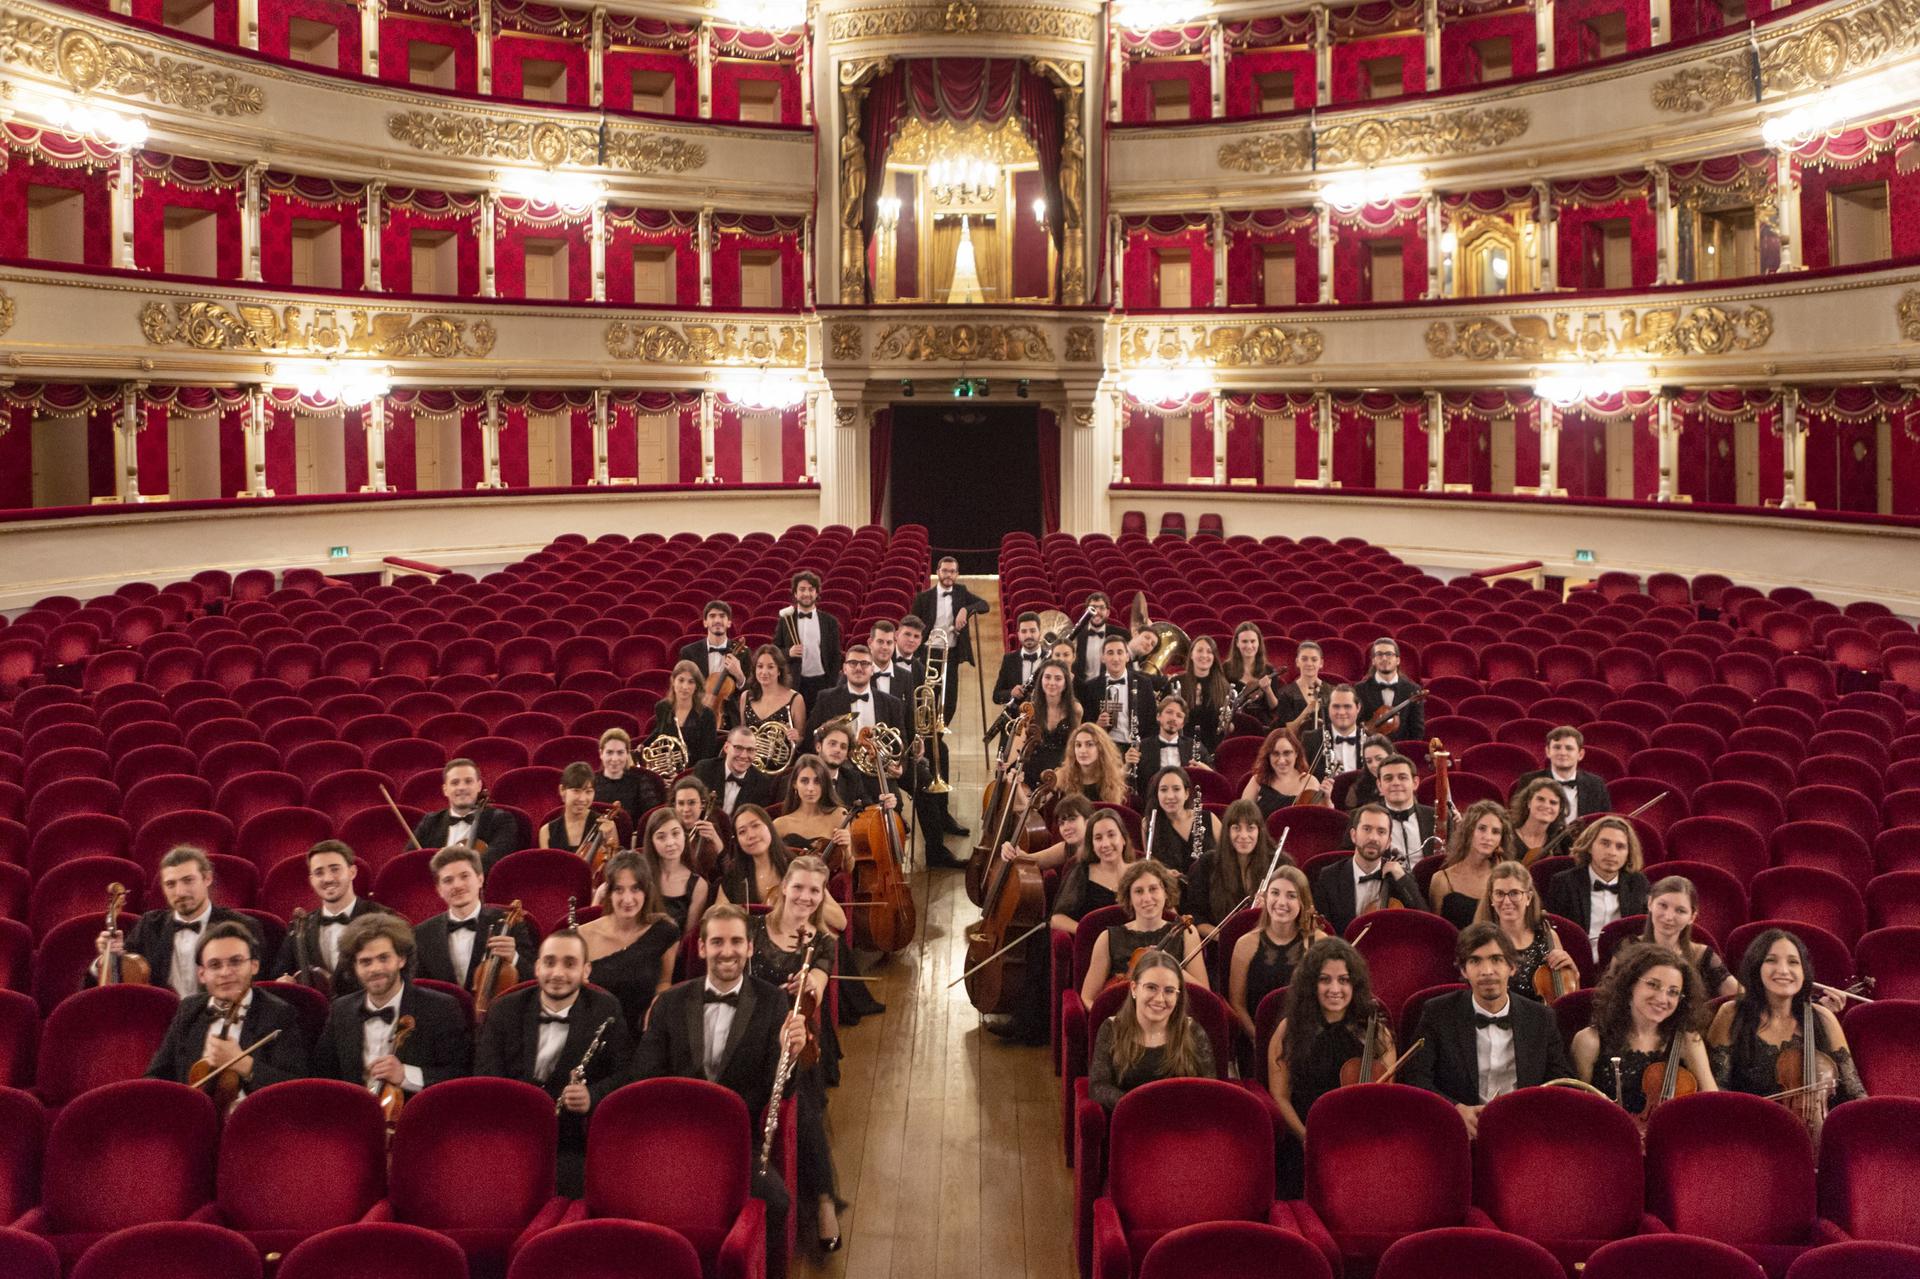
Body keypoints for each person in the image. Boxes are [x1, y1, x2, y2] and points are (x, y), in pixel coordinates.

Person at [629, 905, 807, 1268]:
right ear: (701, 947)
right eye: (717, 942)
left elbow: (780, 1091)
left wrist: (791, 1056)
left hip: (736, 1140)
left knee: (777, 1203)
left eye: (736, 941)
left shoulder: (773, 1001)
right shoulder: (670, 1002)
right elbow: (643, 1077)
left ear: (750, 947)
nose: (728, 951)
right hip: (674, 1137)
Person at [473, 928, 632, 1196]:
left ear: (586, 971)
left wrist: (591, 1096)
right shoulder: (504, 1009)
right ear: (537, 968)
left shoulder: (606, 1009)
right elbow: (486, 1076)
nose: (557, 973)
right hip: (511, 1133)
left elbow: (625, 1073)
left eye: (569, 964)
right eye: (549, 962)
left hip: (572, 1141)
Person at [747, 857, 845, 1252]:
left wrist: (806, 988)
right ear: (783, 887)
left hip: (794, 1034)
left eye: (814, 890)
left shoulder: (822, 942)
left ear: (822, 896)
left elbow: (815, 988)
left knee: (801, 1096)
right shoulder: (751, 928)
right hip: (746, 1030)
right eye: (799, 887)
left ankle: (823, 1199)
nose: (805, 896)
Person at [1401, 923, 1576, 1135]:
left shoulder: (1541, 1018)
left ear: (1512, 967)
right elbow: (1415, 1079)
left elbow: (1562, 1082)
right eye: (1475, 961)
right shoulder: (1437, 1013)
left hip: (1524, 1131)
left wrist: (1530, 1115)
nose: (1487, 971)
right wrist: (1455, 1109)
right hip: (1459, 1132)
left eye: (1496, 959)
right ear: (1464, 970)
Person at [1270, 939, 1395, 1196]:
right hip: (1303, 1140)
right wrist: (1307, 1137)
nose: (1335, 989)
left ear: (1354, 984)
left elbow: (1383, 1100)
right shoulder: (1289, 1031)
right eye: (1325, 980)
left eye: (1344, 980)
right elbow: (1280, 1097)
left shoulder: (1377, 1034)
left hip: (1359, 1144)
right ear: (1311, 984)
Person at [313, 913, 470, 1096]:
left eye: (383, 958)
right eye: (365, 962)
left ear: (401, 959)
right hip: (354, 1109)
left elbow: (460, 1074)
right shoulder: (341, 1009)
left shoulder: (440, 1008)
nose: (375, 969)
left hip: (415, 1110)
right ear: (354, 967)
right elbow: (323, 1073)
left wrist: (406, 1075)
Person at [1706, 928, 1864, 1107]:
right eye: (1771, 960)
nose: (1783, 970)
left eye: (1793, 962)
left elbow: (1855, 1094)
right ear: (1756, 967)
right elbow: (1717, 1088)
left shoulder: (1823, 1018)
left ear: (1803, 972)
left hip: (1816, 1123)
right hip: (1748, 1121)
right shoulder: (1732, 1014)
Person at [147, 920, 307, 1096]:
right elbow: (156, 1074)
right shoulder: (189, 1009)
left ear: (254, 966)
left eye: (235, 962)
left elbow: (294, 1088)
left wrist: (242, 1063)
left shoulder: (279, 1014)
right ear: (202, 974)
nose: (225, 972)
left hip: (255, 1112)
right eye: (215, 965)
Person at [988, 797, 1094, 1046]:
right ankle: (1026, 1020)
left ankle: (1030, 1025)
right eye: (1062, 821)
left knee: (1042, 943)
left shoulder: (1097, 851)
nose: (1066, 827)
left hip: (1081, 923)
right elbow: (1029, 859)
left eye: (1072, 819)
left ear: (1089, 821)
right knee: (1038, 940)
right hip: (1063, 919)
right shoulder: (1068, 848)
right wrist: (1010, 851)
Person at [93, 845, 260, 997]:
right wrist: (109, 955)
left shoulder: (242, 926)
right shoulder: (150, 925)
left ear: (207, 878)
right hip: (162, 1017)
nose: (180, 892)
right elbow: (120, 981)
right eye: (171, 884)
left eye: (188, 880)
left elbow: (255, 989)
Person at [1573, 942, 1717, 1116]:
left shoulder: (1688, 1040)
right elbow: (1577, 1112)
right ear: (1630, 984)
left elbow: (1713, 1104)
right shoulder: (1589, 1041)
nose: (1662, 999)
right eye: (1653, 985)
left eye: (1673, 992)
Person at [1088, 948, 1216, 1107]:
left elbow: (1209, 1090)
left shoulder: (1193, 1030)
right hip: (1131, 1116)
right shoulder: (1111, 1029)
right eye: (1151, 987)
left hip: (1181, 1118)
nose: (1160, 999)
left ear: (1178, 995)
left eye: (1169, 991)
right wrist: (1141, 1107)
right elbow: (1098, 1087)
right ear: (1134, 988)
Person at [269, 839, 395, 996]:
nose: (328, 878)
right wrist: (283, 982)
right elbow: (279, 975)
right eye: (319, 872)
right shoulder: (300, 926)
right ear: (311, 880)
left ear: (352, 872)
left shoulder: (385, 919)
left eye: (335, 869)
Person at [1079, 861, 1207, 1007]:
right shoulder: (1107, 938)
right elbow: (1087, 998)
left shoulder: (1187, 934)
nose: (1147, 898)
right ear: (1129, 897)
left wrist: (1174, 967)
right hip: (1124, 1018)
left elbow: (1204, 995)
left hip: (1172, 1015)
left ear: (1165, 892)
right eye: (1139, 891)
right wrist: (1109, 1018)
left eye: (1153, 889)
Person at [581, 850, 680, 1032]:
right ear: (609, 893)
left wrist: (658, 1005)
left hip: (642, 1031)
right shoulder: (582, 935)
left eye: (635, 889)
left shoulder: (664, 932)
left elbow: (664, 982)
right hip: (594, 1030)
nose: (627, 899)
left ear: (646, 891)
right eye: (619, 889)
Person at [411, 845, 538, 987]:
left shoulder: (509, 924)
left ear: (480, 879)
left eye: (464, 876)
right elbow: (418, 988)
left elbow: (535, 979)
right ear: (439, 889)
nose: (457, 885)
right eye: (448, 880)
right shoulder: (422, 934)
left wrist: (514, 958)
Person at [1227, 864, 1322, 1041]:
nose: (1281, 902)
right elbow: (1237, 1004)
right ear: (1265, 897)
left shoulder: (1319, 942)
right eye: (1275, 893)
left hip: (1306, 1039)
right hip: (1255, 1038)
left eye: (1291, 896)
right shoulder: (1245, 944)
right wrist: (1259, 1040)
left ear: (1303, 902)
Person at [1544, 816, 1650, 960]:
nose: (1612, 852)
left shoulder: (1638, 883)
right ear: (1589, 846)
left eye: (1620, 847)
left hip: (1624, 964)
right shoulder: (1564, 883)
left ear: (1628, 853)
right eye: (1605, 843)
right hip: (1576, 961)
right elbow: (1553, 933)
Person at [1313, 803, 1428, 935]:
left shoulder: (1399, 877)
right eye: (1367, 829)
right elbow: (1323, 931)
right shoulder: (1329, 876)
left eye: (1381, 831)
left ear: (1388, 842)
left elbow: (1424, 921)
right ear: (1353, 835)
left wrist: (1402, 878)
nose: (1373, 838)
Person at [1477, 861, 1579, 1002]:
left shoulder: (1548, 936)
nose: (1507, 901)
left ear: (1529, 898)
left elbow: (1564, 998)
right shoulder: (1483, 942)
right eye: (1499, 894)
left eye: (1514, 893)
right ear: (1491, 899)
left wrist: (1573, 973)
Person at [911, 555, 988, 721]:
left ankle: (940, 733)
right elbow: (912, 624)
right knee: (927, 699)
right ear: (938, 572)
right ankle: (927, 735)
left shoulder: (961, 592)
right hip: (928, 653)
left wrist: (965, 610)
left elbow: (984, 605)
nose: (948, 575)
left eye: (952, 572)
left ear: (957, 574)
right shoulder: (924, 598)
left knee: (950, 702)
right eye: (945, 571)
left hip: (951, 654)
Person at [412, 758, 524, 871]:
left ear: (479, 786)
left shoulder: (501, 820)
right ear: (445, 789)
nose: (462, 787)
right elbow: (410, 862)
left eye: (468, 781)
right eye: (455, 783)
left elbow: (496, 859)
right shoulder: (430, 822)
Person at [1637, 875, 1738, 998]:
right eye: (1663, 905)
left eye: (1680, 911)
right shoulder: (1629, 947)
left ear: (1692, 917)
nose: (1669, 917)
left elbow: (1741, 997)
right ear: (1650, 903)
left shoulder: (1702, 956)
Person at [1189, 798, 1281, 930]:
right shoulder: (1207, 863)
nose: (1243, 835)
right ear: (1227, 832)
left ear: (1259, 831)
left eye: (1250, 828)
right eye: (1236, 828)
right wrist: (1226, 938)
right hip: (1218, 939)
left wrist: (1270, 908)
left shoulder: (1279, 863)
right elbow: (1196, 916)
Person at [1427, 800, 1518, 929]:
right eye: (1482, 829)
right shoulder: (1442, 880)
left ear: (1501, 840)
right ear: (1469, 831)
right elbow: (1436, 930)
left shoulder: (1509, 879)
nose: (1488, 837)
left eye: (1495, 832)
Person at [1050, 807, 1137, 935]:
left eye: (1111, 835)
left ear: (1123, 839)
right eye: (1098, 838)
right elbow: (1057, 919)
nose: (1105, 844)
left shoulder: (1140, 873)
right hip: (1094, 944)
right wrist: (1093, 934)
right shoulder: (1083, 873)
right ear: (1092, 844)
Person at [1080, 634, 1159, 760]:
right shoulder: (1090, 687)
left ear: (1127, 656)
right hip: (1105, 750)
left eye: (1120, 652)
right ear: (1102, 658)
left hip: (1137, 749)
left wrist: (1143, 749)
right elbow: (1084, 724)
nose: (1115, 658)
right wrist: (1097, 725)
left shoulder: (1144, 683)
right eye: (1110, 653)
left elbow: (1152, 723)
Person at [812, 645, 910, 742]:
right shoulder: (826, 699)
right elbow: (812, 740)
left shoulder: (892, 704)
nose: (858, 668)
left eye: (864, 663)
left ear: (872, 669)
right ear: (845, 668)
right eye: (853, 663)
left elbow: (901, 746)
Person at [1514, 727, 1613, 821]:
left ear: (1580, 754)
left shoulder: (1596, 785)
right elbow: (1518, 818)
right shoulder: (1529, 781)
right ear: (1548, 751)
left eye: (1569, 748)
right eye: (1557, 747)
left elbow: (1603, 822)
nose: (1562, 753)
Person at [641, 807, 712, 937]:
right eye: (661, 837)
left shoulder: (698, 885)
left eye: (675, 834)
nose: (670, 843)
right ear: (652, 841)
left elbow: (688, 938)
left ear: (684, 835)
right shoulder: (640, 876)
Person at [1012, 659, 1080, 792]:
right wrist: (1006, 767)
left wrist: (1065, 774)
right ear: (1041, 681)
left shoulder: (1076, 710)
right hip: (1030, 773)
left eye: (1058, 678)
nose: (1052, 683)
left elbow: (1074, 747)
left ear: (1066, 683)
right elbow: (1018, 745)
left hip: (1059, 775)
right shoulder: (1030, 709)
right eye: (1047, 677)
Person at [1131, 695, 1212, 804]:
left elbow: (1214, 776)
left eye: (1179, 715)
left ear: (1182, 724)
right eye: (1169, 712)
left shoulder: (1194, 746)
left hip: (1186, 805)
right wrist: (1127, 764)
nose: (1173, 718)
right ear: (1158, 716)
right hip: (1150, 804)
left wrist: (1204, 770)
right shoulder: (1142, 746)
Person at [1141, 765, 1218, 880]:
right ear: (1157, 794)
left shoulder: (1209, 818)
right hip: (1171, 888)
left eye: (1176, 789)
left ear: (1186, 793)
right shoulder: (1149, 823)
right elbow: (1150, 866)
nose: (1170, 796)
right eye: (1163, 790)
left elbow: (1228, 855)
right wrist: (1164, 873)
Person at [774, 754, 853, 865]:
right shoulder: (780, 824)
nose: (810, 788)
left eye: (817, 781)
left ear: (824, 784)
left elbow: (849, 869)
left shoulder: (839, 815)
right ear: (795, 784)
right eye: (804, 781)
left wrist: (846, 849)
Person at [778, 571, 842, 705]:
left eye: (811, 589)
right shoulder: (786, 620)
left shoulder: (830, 621)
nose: (806, 593)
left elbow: (835, 655)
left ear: (817, 593)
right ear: (795, 593)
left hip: (822, 683)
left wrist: (831, 684)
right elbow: (775, 651)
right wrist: (788, 652)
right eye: (802, 589)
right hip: (795, 683)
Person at [682, 600, 747, 729]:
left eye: (722, 616)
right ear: (705, 622)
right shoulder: (689, 652)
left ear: (729, 622)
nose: (717, 620)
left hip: (730, 720)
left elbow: (752, 692)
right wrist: (700, 698)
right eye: (712, 616)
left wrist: (740, 676)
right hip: (696, 716)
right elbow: (682, 686)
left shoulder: (743, 653)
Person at [691, 725, 779, 816]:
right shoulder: (704, 769)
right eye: (738, 748)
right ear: (726, 747)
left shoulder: (762, 783)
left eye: (750, 750)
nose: (744, 755)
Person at [539, 762, 623, 855]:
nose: (582, 799)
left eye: (588, 791)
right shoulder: (546, 832)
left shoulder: (607, 826)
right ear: (562, 790)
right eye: (576, 791)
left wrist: (608, 836)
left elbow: (613, 863)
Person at [1241, 726, 1324, 818]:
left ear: (1296, 753)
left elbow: (1318, 819)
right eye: (1275, 754)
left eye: (1287, 753)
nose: (1281, 760)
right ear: (1268, 756)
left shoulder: (1310, 782)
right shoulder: (1258, 780)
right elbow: (1243, 816)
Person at [1354, 637, 1425, 743]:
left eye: (1389, 654)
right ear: (1373, 661)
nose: (1384, 658)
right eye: (1379, 654)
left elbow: (1417, 732)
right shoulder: (1359, 689)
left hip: (1401, 750)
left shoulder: (1413, 690)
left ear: (1398, 660)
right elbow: (1355, 725)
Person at [652, 659, 721, 767]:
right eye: (681, 680)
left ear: (696, 686)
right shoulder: (662, 707)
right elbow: (658, 733)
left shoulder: (707, 715)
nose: (685, 687)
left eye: (691, 682)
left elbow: (707, 755)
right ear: (673, 681)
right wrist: (641, 747)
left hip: (695, 772)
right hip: (667, 770)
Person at [740, 644, 807, 753]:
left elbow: (801, 740)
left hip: (782, 762)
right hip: (748, 759)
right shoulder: (746, 697)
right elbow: (742, 734)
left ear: (779, 670)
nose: (764, 672)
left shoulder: (796, 699)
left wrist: (797, 738)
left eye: (770, 667)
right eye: (760, 666)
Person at [1173, 634, 1233, 753]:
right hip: (1179, 749)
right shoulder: (1176, 682)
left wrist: (1228, 723)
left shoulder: (1224, 687)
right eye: (1200, 650)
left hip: (1213, 751)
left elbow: (1228, 728)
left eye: (1209, 652)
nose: (1204, 655)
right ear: (1191, 655)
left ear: (1214, 657)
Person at [593, 728, 664, 825]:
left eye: (620, 752)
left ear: (627, 754)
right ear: (601, 754)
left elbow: (653, 820)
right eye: (609, 752)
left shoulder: (640, 782)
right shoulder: (591, 782)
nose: (615, 758)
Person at [1298, 685, 1367, 782]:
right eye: (1336, 706)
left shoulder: (1370, 741)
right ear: (1328, 708)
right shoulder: (1310, 740)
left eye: (1347, 706)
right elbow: (1300, 780)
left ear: (1358, 707)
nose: (1341, 712)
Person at [1375, 753, 1436, 861]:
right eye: (1388, 778)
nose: (1396, 783)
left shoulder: (1435, 817)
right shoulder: (1363, 818)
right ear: (1379, 785)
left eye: (1402, 777)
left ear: (1415, 783)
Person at [1055, 723, 1131, 804]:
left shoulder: (1113, 778)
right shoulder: (1061, 778)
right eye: (1078, 745)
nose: (1082, 750)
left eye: (1090, 744)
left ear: (1101, 749)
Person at [1225, 623, 1283, 724]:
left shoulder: (1269, 670)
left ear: (1259, 643)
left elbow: (1274, 708)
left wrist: (1268, 689)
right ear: (1237, 643)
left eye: (1253, 641)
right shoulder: (1225, 669)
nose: (1249, 646)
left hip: (1262, 724)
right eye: (1244, 641)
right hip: (1233, 724)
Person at [671, 776, 728, 872]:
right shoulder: (667, 828)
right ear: (674, 805)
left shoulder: (713, 828)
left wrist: (717, 843)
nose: (686, 809)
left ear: (703, 804)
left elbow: (728, 873)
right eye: (681, 803)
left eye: (692, 803)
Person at [1509, 777, 1571, 865]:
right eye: (1540, 799)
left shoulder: (1561, 843)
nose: (1546, 806)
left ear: (1560, 809)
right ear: (1529, 802)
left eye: (1553, 802)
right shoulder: (1507, 836)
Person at [1070, 592, 1128, 682]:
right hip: (1082, 687)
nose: (1097, 612)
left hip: (1109, 684)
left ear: (1108, 612)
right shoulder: (1076, 634)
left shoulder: (1121, 634)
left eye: (1101, 608)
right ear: (1086, 612)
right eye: (1093, 608)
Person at [1270, 640, 1326, 732]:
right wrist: (1306, 711)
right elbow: (1288, 731)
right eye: (1304, 659)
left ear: (1321, 663)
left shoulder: (1332, 692)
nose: (1309, 663)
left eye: (1314, 659)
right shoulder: (1286, 694)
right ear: (1297, 662)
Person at [994, 612, 1047, 705]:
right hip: (1018, 713)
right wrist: (1011, 693)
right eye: (1024, 631)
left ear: (1040, 632)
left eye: (1033, 631)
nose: (1028, 636)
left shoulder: (1050, 659)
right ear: (1018, 634)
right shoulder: (1009, 660)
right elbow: (996, 696)